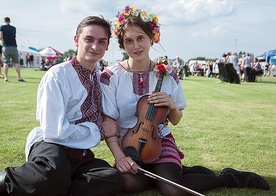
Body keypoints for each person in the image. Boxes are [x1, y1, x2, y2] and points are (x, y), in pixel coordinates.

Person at [100, 6, 270, 196]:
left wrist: (171, 105)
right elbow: (109, 122)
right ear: (122, 44)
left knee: (173, 191)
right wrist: (120, 157)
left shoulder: (166, 73)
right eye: (129, 41)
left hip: (159, 141)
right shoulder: (111, 76)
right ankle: (173, 172)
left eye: (140, 38)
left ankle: (229, 177)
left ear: (152, 38)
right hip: (129, 145)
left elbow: (176, 119)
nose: (136, 46)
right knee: (130, 184)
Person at [0, 16, 123, 196]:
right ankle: (7, 180)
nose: (95, 46)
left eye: (101, 42)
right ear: (76, 40)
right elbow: (54, 131)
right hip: (51, 146)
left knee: (112, 177)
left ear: (107, 46)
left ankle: (60, 186)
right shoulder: (57, 75)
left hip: (79, 151)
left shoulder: (99, 78)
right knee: (51, 174)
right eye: (89, 39)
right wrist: (99, 130)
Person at [0, 17, 25, 82]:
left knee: (6, 62)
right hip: (14, 46)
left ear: (4, 21)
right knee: (16, 62)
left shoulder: (2, 27)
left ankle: (6, 77)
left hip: (6, 46)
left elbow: (1, 36)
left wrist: (2, 40)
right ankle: (19, 77)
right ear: (10, 21)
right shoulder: (13, 28)